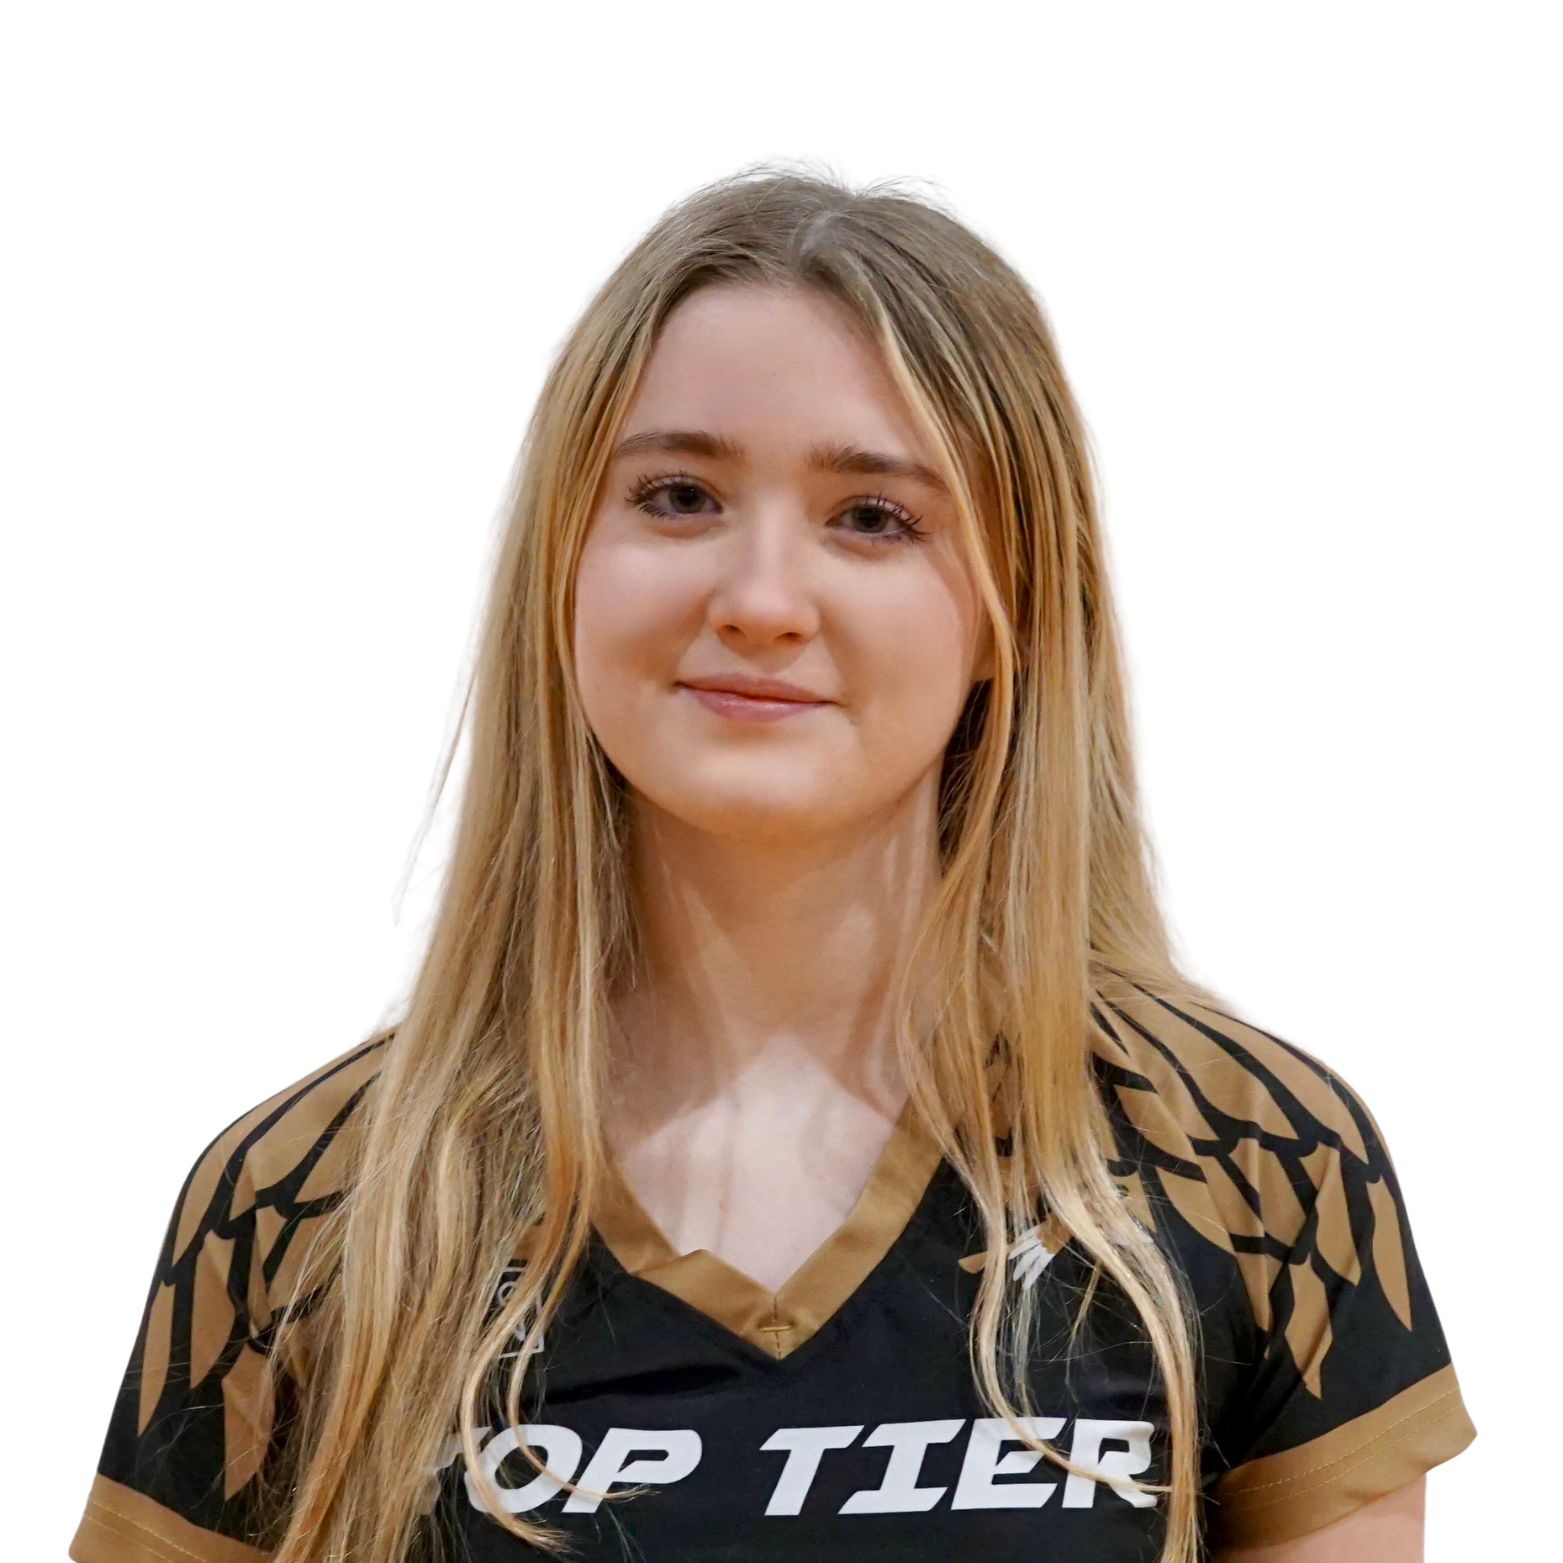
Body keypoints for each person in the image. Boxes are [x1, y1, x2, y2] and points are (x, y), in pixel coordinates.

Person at [70, 172, 1473, 1563]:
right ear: (563, 564)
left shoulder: (1250, 1158)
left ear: (1016, 611)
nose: (755, 601)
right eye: (676, 495)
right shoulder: (314, 1204)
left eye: (872, 518)